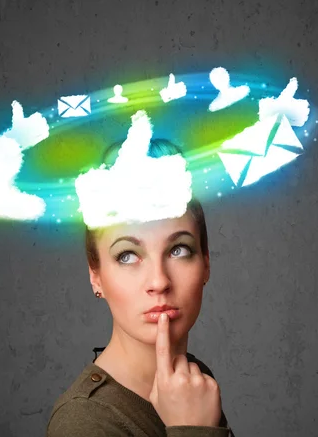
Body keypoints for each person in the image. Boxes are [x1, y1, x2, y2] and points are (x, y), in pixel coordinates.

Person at [46, 138, 235, 436]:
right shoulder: (83, 424)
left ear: (206, 263)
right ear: (96, 276)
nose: (159, 281)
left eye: (179, 250)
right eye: (128, 256)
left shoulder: (192, 385)